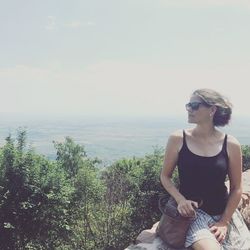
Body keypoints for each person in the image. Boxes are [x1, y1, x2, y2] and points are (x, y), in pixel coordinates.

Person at [160, 88, 250, 250]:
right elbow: (165, 176)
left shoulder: (231, 144)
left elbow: (237, 188)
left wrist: (224, 221)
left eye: (194, 105)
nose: (189, 109)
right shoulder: (178, 139)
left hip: (224, 213)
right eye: (188, 105)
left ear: (212, 110)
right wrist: (180, 200)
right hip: (193, 215)